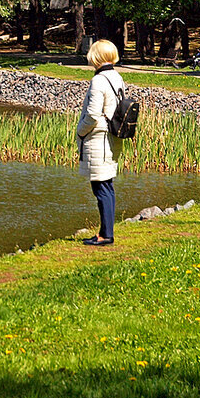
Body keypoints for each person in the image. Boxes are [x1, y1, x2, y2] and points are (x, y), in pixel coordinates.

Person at [77, 39, 124, 247]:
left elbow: (93, 114)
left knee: (101, 187)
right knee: (107, 186)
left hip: (99, 139)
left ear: (96, 56)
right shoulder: (117, 77)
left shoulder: (99, 80)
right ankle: (106, 231)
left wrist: (80, 131)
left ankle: (106, 235)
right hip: (111, 137)